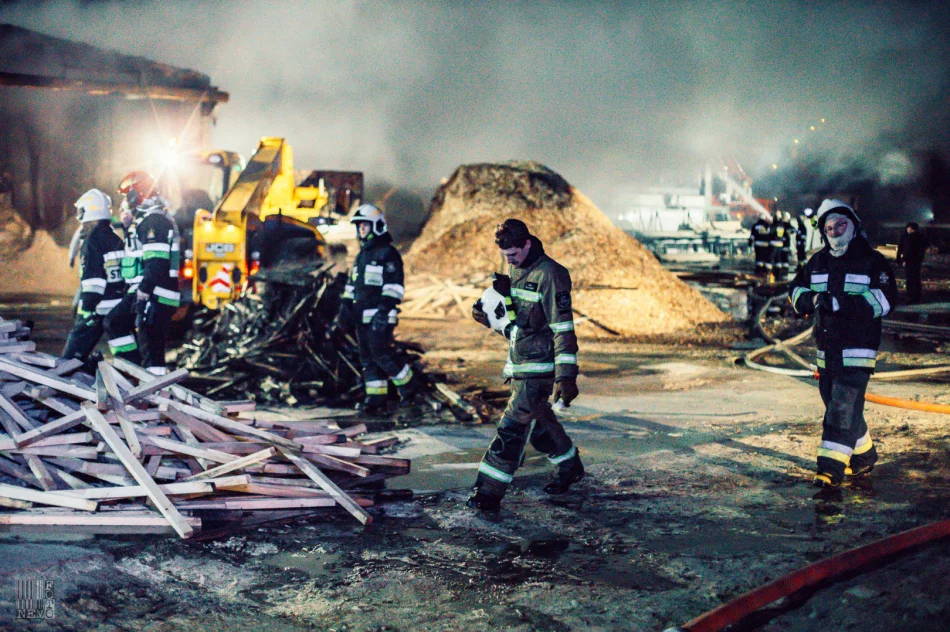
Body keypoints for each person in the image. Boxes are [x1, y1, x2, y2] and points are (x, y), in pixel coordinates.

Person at [467, 219, 584, 512]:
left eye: (514, 255)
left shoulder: (552, 275)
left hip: (539, 370)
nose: (510, 261)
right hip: (520, 365)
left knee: (512, 429)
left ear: (528, 243)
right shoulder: (514, 267)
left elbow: (563, 328)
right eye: (505, 256)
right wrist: (490, 315)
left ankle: (488, 492)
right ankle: (569, 467)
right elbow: (520, 322)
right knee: (541, 424)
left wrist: (566, 376)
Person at [788, 199, 896, 488]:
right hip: (827, 351)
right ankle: (864, 456)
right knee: (838, 404)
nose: (835, 231)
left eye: (841, 224)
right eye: (829, 227)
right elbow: (795, 289)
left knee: (842, 408)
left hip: (858, 350)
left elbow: (885, 300)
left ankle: (830, 470)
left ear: (854, 226)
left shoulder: (873, 261)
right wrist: (811, 300)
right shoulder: (818, 261)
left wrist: (843, 304)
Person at [332, 203, 417, 413]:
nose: (361, 229)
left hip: (381, 316)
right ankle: (376, 398)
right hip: (361, 317)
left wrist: (383, 311)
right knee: (367, 358)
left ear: (377, 226)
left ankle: (410, 390)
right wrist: (344, 312)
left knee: (381, 354)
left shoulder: (388, 254)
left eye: (365, 225)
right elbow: (352, 287)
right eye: (359, 226)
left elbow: (394, 287)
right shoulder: (362, 256)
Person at [104, 171, 181, 375]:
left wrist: (144, 292)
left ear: (135, 195)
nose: (124, 203)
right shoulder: (147, 220)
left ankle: (151, 386)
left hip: (156, 294)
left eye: (125, 197)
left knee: (152, 344)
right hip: (149, 291)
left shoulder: (154, 221)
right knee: (116, 322)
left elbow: (156, 262)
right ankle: (132, 370)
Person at [62, 189, 125, 365]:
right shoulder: (115, 238)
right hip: (117, 309)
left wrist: (87, 309)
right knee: (125, 356)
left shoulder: (92, 242)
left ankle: (65, 385)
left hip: (97, 310)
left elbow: (93, 283)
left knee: (70, 360)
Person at [896, 221, 929, 304]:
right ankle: (915, 296)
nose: (908, 229)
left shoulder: (908, 237)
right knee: (915, 278)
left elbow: (902, 249)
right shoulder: (918, 237)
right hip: (914, 261)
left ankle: (912, 296)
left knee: (911, 279)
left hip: (911, 261)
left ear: (911, 228)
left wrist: (900, 259)